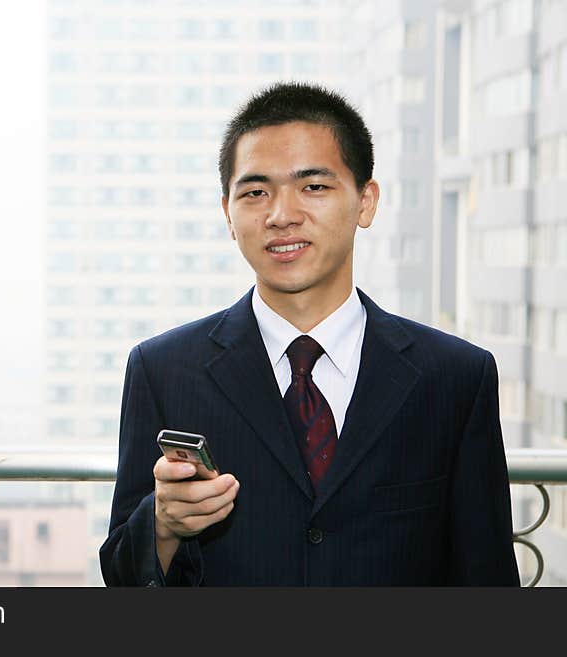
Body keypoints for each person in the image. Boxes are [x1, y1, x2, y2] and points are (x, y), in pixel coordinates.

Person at [99, 82, 519, 586]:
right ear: (228, 214)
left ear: (366, 202)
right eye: (255, 193)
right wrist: (163, 525)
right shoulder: (162, 369)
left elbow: (487, 576)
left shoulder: (454, 377)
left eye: (313, 187)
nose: (281, 215)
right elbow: (121, 577)